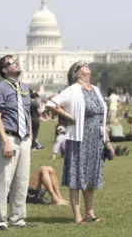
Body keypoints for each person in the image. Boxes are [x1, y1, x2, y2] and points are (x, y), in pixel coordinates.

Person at [46, 60, 114, 224]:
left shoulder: (96, 89)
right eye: (82, 65)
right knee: (76, 177)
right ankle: (77, 216)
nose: (86, 66)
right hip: (79, 138)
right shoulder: (72, 90)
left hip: (96, 139)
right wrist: (69, 117)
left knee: (91, 176)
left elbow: (101, 117)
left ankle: (90, 213)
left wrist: (107, 140)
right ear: (76, 73)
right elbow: (50, 103)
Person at [0, 55, 32, 230]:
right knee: (4, 180)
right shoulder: (0, 89)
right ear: (5, 70)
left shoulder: (25, 88)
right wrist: (5, 140)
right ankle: (0, 220)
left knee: (22, 181)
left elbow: (26, 113)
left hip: (24, 139)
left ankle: (17, 218)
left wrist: (30, 137)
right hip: (9, 137)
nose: (17, 63)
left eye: (16, 61)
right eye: (12, 63)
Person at [0, 166, 68, 205]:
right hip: (24, 194)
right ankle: (54, 198)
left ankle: (59, 197)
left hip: (25, 190)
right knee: (43, 169)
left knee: (49, 169)